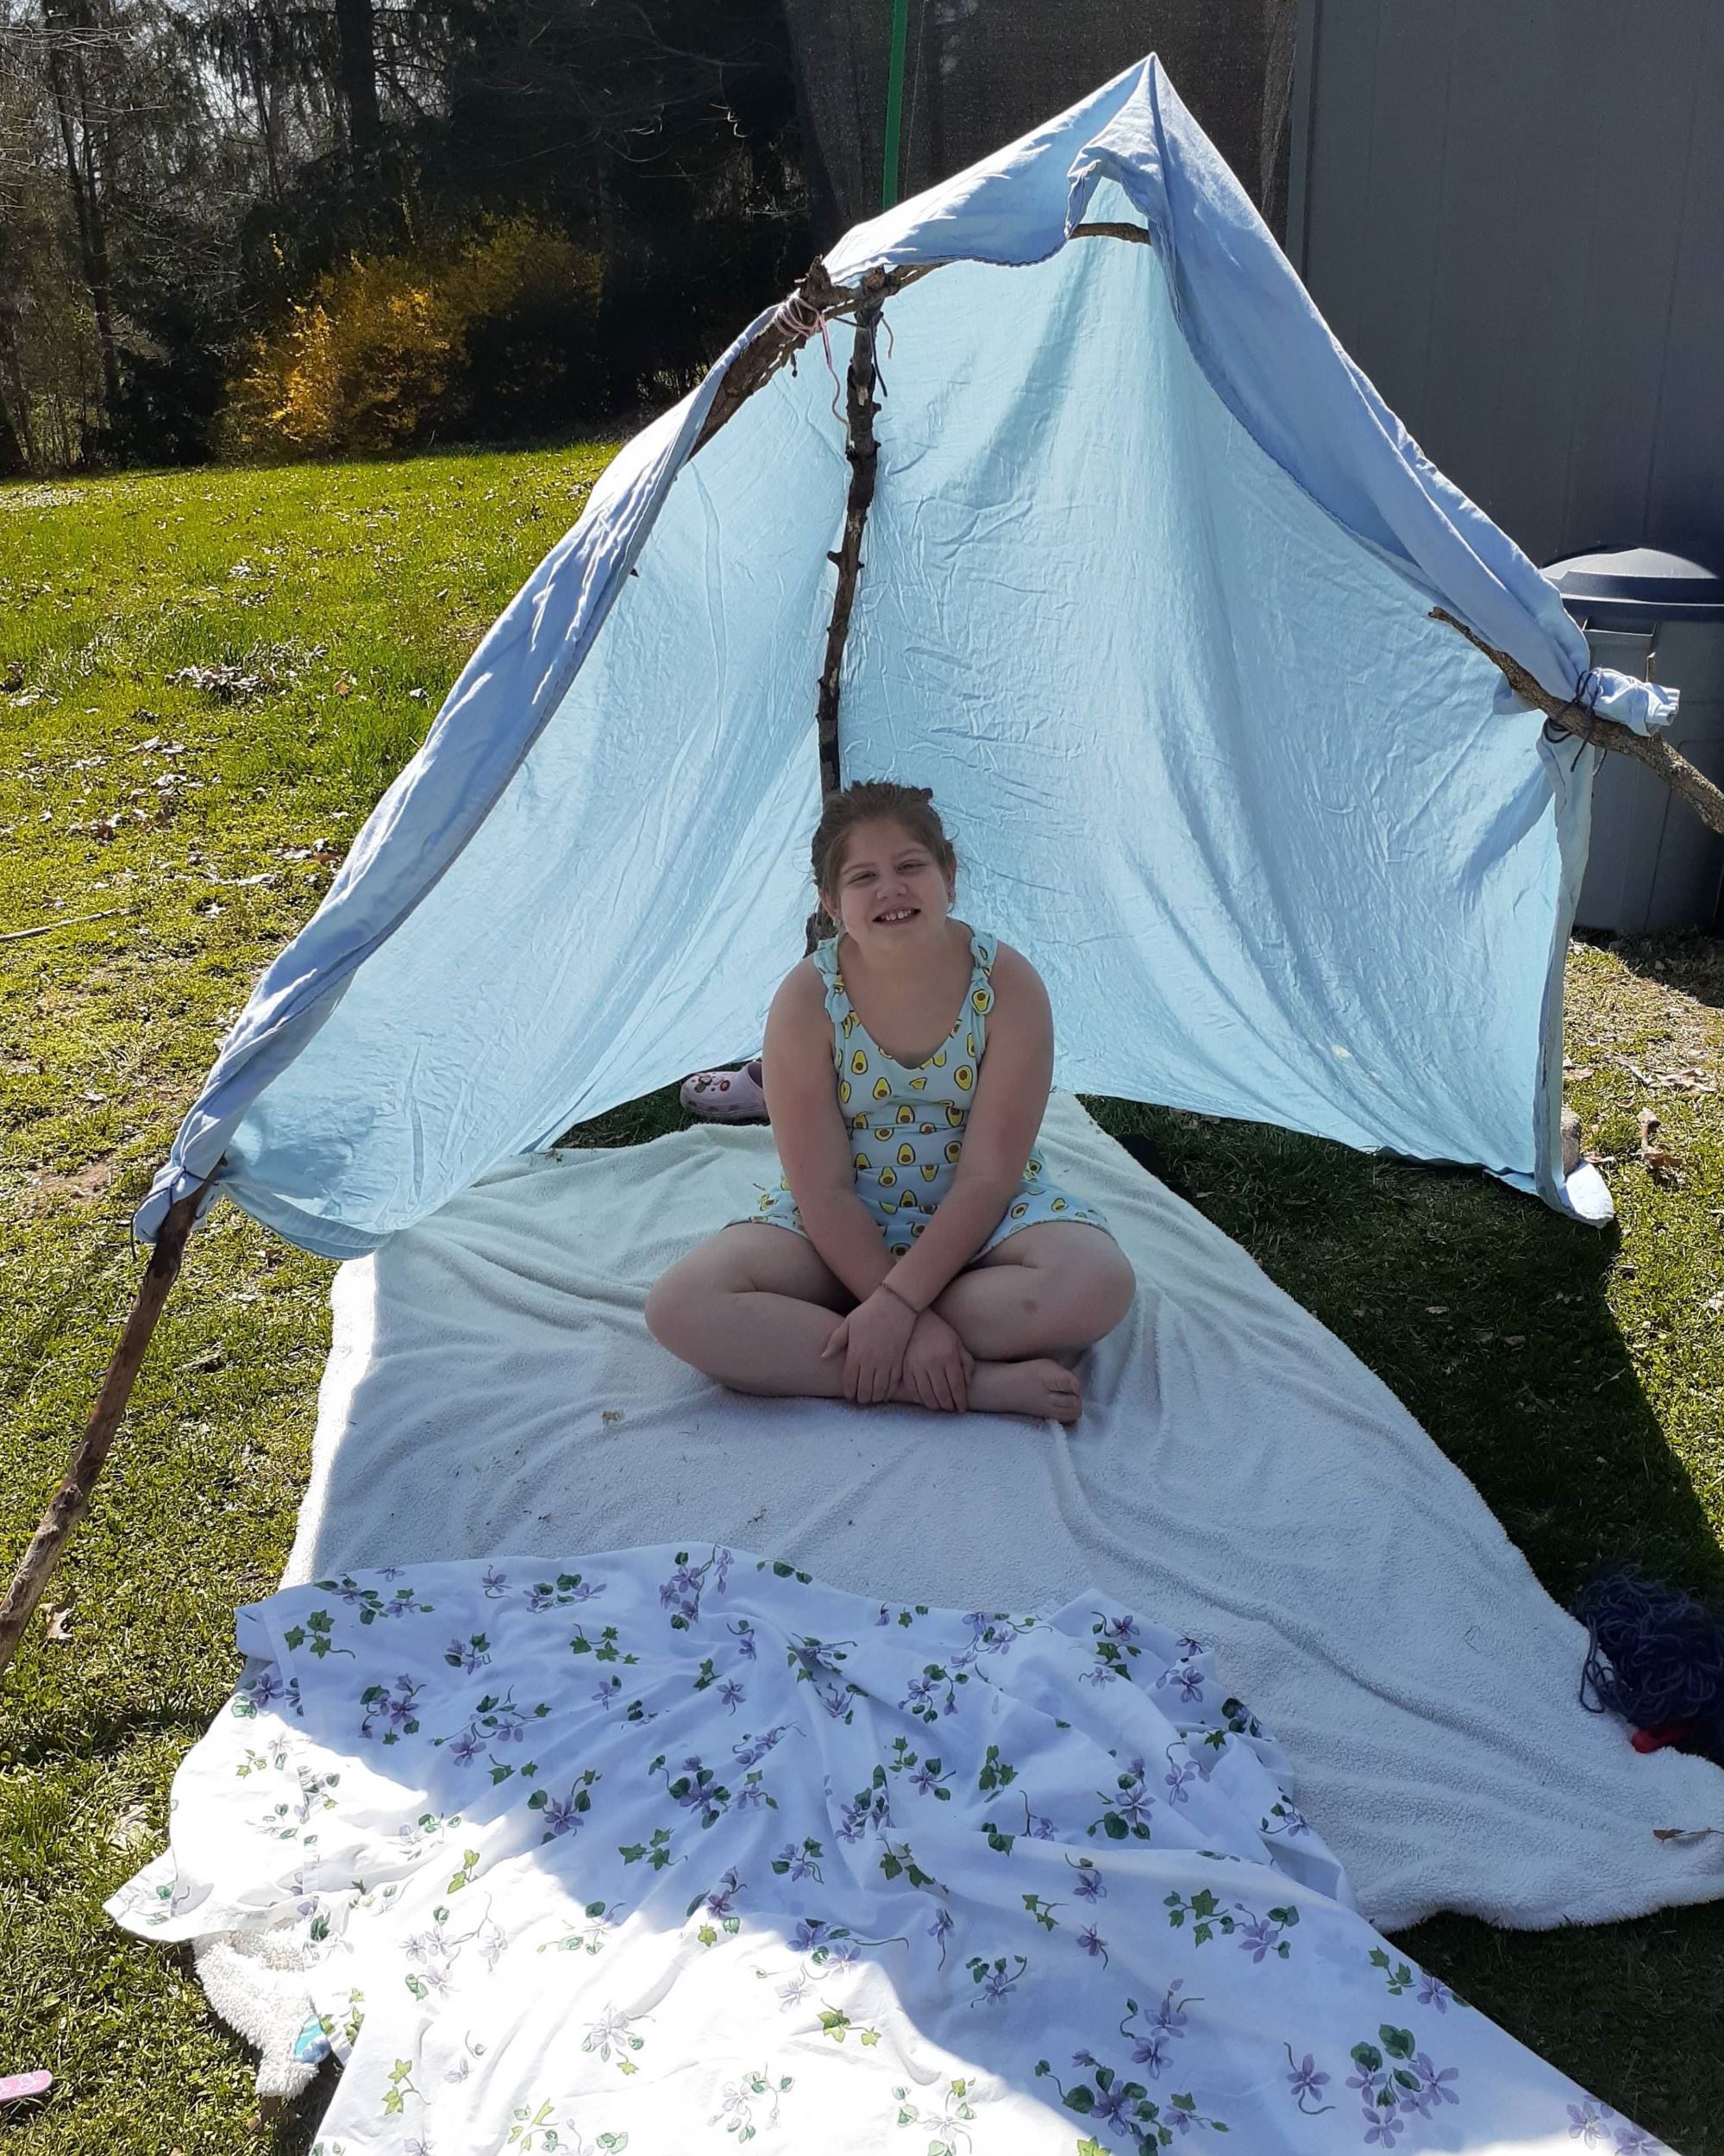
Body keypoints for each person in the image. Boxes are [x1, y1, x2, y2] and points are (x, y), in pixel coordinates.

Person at [645, 781, 1135, 1422]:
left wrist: (900, 1303)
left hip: (981, 1226)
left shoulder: (1007, 986)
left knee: (1097, 1283)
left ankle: (850, 1331)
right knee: (681, 1305)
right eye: (863, 877)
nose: (891, 889)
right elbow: (823, 1190)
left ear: (948, 876)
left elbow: (988, 1177)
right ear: (831, 902)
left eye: (910, 866)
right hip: (838, 1229)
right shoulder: (806, 1001)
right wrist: (912, 1320)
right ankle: (956, 1380)